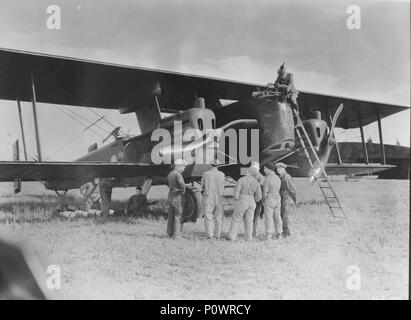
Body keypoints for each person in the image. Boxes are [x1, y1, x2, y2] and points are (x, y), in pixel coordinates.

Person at [226, 165, 262, 241]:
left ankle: (231, 236)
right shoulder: (256, 182)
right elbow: (259, 196)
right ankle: (248, 237)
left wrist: (237, 200)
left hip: (242, 200)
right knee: (249, 220)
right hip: (252, 201)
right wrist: (253, 200)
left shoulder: (241, 180)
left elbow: (236, 193)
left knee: (236, 218)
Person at [201, 159, 225, 239]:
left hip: (209, 196)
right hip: (219, 197)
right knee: (218, 216)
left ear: (211, 165)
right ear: (218, 165)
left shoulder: (205, 174)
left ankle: (209, 234)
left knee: (208, 215)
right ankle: (217, 235)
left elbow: (201, 186)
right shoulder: (222, 174)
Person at [166, 158, 187, 239]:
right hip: (177, 198)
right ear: (179, 166)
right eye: (183, 167)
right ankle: (177, 235)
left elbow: (166, 182)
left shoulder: (170, 173)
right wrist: (182, 192)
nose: (184, 168)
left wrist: (172, 189)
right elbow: (183, 185)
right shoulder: (178, 174)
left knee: (170, 216)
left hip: (170, 197)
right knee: (178, 216)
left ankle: (169, 234)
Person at [275, 162, 297, 237]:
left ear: (284, 169)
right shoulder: (281, 177)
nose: (278, 169)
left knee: (286, 217)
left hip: (287, 199)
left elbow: (292, 189)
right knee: (283, 216)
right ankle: (284, 232)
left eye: (280, 168)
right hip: (283, 199)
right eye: (277, 168)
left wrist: (294, 199)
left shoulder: (286, 177)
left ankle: (288, 233)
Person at [262, 164, 282, 240]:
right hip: (277, 197)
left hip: (269, 198)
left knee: (268, 217)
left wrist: (263, 200)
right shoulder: (278, 178)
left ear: (269, 169)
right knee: (277, 217)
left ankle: (268, 235)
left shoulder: (267, 178)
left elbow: (265, 191)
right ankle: (279, 234)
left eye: (265, 168)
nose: (264, 170)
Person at [249, 161, 265, 238]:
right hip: (251, 199)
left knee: (256, 216)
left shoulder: (261, 177)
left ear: (258, 169)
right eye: (252, 168)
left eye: (254, 168)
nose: (253, 170)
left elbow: (260, 188)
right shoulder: (251, 176)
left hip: (257, 200)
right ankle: (250, 231)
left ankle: (255, 233)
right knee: (250, 216)